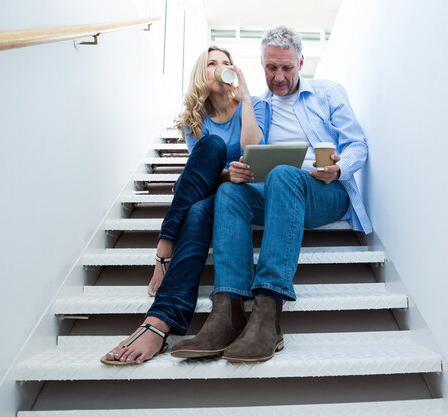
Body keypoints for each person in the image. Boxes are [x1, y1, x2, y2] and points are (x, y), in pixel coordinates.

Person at [171, 26, 372, 363]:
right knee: (230, 194)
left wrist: (339, 167)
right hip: (278, 192)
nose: (279, 77)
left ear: (301, 62)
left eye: (287, 68)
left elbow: (358, 145)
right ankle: (228, 309)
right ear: (261, 64)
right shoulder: (258, 106)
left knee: (283, 174)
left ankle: (267, 312)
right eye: (271, 68)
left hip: (325, 190)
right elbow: (248, 150)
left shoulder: (328, 92)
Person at [100, 46, 265, 365]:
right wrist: (226, 172)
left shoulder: (253, 106)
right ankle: (161, 317)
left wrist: (245, 98)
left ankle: (163, 266)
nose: (220, 68)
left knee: (199, 210)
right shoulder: (194, 119)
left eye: (226, 63)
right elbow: (202, 170)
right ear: (202, 73)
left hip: (242, 191)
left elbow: (252, 149)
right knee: (211, 148)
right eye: (212, 64)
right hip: (212, 183)